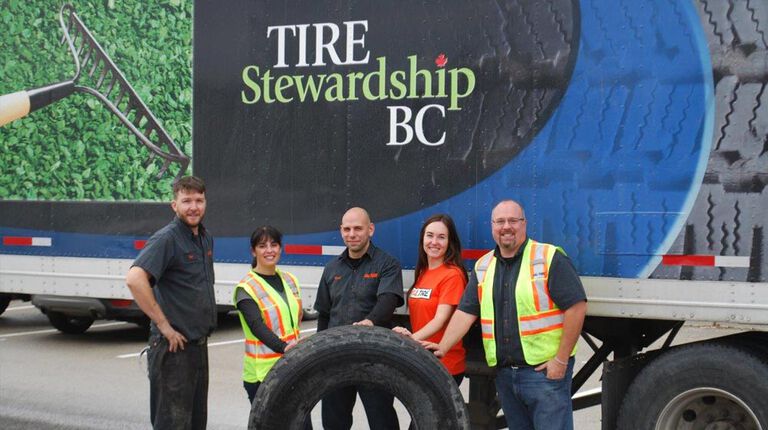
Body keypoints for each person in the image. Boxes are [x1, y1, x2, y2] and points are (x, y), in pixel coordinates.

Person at [427, 200, 587, 430]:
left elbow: (576, 307)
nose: (506, 226)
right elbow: (466, 312)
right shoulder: (483, 266)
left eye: (513, 220)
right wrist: (443, 346)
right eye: (500, 221)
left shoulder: (548, 258)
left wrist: (560, 361)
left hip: (544, 375)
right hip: (505, 376)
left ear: (524, 224)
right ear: (492, 226)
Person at [125, 175, 216, 430]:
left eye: (199, 200)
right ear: (174, 205)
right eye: (186, 200)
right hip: (173, 350)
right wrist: (164, 326)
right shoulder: (167, 238)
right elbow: (135, 278)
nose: (194, 206)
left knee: (195, 423)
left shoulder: (204, 238)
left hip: (197, 347)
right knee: (172, 425)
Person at [313, 207, 405, 430]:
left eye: (357, 228)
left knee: (382, 422)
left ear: (370, 229)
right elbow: (324, 315)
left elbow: (389, 299)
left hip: (374, 358)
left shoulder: (388, 264)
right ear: (341, 230)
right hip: (337, 359)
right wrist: (319, 355)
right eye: (347, 229)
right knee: (334, 423)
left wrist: (370, 322)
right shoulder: (331, 268)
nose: (351, 234)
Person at [232, 225, 311, 429]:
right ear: (253, 251)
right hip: (263, 375)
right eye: (262, 245)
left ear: (280, 248)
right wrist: (284, 347)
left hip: (293, 367)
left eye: (274, 244)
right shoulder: (246, 288)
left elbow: (297, 316)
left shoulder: (290, 280)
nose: (269, 250)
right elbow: (256, 326)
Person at [393, 214, 468, 386]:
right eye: (430, 235)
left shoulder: (452, 275)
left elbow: (440, 320)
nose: (434, 242)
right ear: (422, 239)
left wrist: (410, 339)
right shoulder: (423, 273)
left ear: (450, 242)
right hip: (424, 361)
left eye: (441, 237)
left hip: (445, 364)